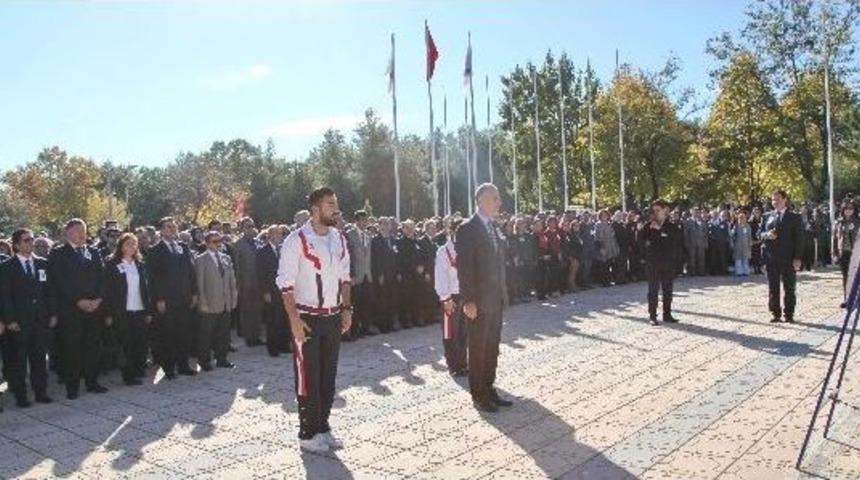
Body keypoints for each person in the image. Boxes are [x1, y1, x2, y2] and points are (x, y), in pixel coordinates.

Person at [277, 187, 352, 453]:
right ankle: (307, 433)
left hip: (332, 317)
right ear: (315, 209)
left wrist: (347, 308)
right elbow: (285, 284)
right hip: (307, 318)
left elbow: (345, 277)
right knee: (308, 377)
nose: (336, 208)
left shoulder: (339, 238)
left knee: (328, 377)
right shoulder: (296, 240)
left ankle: (323, 426)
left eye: (336, 203)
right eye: (330, 203)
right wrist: (294, 319)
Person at [456, 183, 512, 413]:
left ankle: (489, 388)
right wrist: (468, 300)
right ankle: (478, 395)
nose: (499, 202)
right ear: (480, 201)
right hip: (477, 301)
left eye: (498, 198)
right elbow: (465, 267)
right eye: (494, 198)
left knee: (492, 347)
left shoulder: (493, 227)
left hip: (495, 298)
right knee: (478, 349)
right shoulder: (468, 228)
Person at [48, 218, 109, 399]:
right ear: (67, 233)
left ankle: (92, 382)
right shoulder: (58, 254)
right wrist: (78, 301)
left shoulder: (93, 251)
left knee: (93, 346)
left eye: (84, 229)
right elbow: (59, 282)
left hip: (94, 308)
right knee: (72, 349)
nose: (82, 234)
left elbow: (102, 277)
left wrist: (98, 299)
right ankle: (72, 386)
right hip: (71, 310)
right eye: (77, 230)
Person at [0, 229, 55, 406]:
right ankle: (21, 396)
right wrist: (10, 320)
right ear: (16, 245)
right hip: (19, 322)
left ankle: (41, 392)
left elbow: (49, 292)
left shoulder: (42, 264)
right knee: (19, 361)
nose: (30, 243)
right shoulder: (7, 267)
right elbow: (5, 296)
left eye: (31, 240)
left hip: (40, 320)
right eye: (26, 240)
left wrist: (52, 313)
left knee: (39, 358)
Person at [147, 216, 198, 379]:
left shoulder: (183, 247)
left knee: (183, 333)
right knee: (167, 334)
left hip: (184, 297)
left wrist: (194, 293)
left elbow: (191, 272)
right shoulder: (155, 251)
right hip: (167, 300)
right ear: (161, 230)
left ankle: (183, 365)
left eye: (174, 227)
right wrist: (159, 299)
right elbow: (153, 278)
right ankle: (168, 368)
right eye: (168, 227)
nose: (172, 229)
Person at [103, 233, 152, 386]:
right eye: (128, 244)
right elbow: (108, 291)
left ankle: (139, 369)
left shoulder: (140, 264)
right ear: (121, 246)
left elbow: (146, 288)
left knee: (140, 342)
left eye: (134, 244)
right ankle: (128, 375)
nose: (132, 247)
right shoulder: (112, 264)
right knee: (126, 344)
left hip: (139, 308)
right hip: (122, 310)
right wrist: (109, 313)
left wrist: (148, 310)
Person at [194, 231, 237, 370]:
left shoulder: (226, 258)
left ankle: (222, 358)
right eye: (214, 241)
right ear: (207, 243)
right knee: (206, 334)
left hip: (225, 302)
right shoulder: (201, 259)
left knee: (223, 332)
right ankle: (204, 361)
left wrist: (233, 298)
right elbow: (199, 283)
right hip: (209, 302)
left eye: (220, 240)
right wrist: (203, 302)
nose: (218, 244)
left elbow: (232, 280)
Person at [761, 190, 804, 323]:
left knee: (789, 288)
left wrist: (797, 258)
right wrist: (767, 235)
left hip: (788, 258)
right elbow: (759, 234)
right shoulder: (767, 216)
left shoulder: (794, 217)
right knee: (773, 287)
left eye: (778, 199)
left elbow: (800, 239)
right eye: (773, 200)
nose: (775, 202)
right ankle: (775, 313)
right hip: (771, 258)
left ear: (785, 199)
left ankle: (789, 314)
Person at [434, 218, 467, 377]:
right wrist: (445, 298)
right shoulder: (443, 251)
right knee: (450, 332)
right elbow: (440, 277)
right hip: (450, 295)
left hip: (465, 294)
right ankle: (453, 365)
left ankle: (463, 362)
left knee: (463, 331)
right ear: (452, 232)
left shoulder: (467, 249)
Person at [642, 201, 681, 326]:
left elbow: (675, 239)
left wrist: (661, 230)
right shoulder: (648, 226)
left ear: (666, 210)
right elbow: (642, 241)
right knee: (653, 290)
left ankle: (667, 314)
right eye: (654, 210)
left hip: (668, 262)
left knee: (668, 290)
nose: (655, 213)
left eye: (658, 210)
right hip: (653, 263)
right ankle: (652, 316)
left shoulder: (672, 226)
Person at [258, 225, 291, 356]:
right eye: (277, 234)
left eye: (281, 234)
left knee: (284, 318)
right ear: (270, 235)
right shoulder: (262, 252)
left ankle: (284, 345)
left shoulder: (283, 250)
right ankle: (273, 347)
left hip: (284, 290)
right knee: (273, 320)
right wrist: (265, 292)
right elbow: (260, 274)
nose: (279, 237)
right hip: (271, 291)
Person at [233, 217, 263, 347]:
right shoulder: (238, 244)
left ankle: (256, 336)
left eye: (252, 226)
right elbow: (236, 265)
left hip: (258, 282)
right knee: (247, 311)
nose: (251, 228)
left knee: (257, 310)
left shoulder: (258, 242)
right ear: (242, 229)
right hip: (245, 283)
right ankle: (249, 337)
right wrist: (238, 284)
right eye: (247, 226)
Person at [346, 211, 374, 337]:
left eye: (365, 220)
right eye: (361, 220)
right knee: (355, 305)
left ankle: (365, 328)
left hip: (367, 275)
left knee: (366, 304)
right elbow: (348, 257)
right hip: (356, 276)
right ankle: (353, 330)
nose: (364, 223)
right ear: (356, 221)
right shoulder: (349, 235)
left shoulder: (369, 235)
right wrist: (350, 275)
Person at [832, 200, 859, 308]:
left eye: (851, 208)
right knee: (846, 277)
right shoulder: (839, 222)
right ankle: (847, 299)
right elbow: (834, 239)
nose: (848, 210)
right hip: (843, 253)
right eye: (846, 208)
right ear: (842, 210)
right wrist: (834, 253)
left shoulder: (858, 221)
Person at [732, 211, 753, 277]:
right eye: (740, 218)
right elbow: (732, 235)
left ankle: (746, 272)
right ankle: (739, 272)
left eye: (743, 218)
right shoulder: (736, 226)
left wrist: (750, 242)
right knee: (738, 259)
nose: (742, 219)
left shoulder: (748, 226)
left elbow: (749, 235)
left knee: (745, 259)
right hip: (738, 245)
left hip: (746, 245)